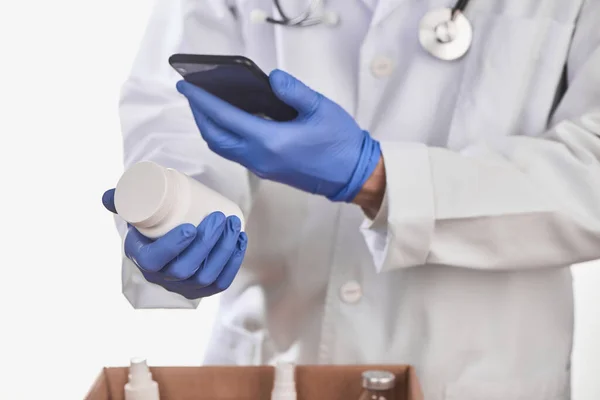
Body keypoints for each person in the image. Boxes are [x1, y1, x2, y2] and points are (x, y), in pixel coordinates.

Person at [102, 1, 600, 399]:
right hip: (270, 356)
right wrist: (178, 212)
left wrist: (378, 177)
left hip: (476, 368)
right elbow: (171, 102)